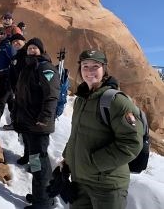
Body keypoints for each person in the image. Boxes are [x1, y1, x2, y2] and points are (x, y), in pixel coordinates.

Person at [62, 49, 144, 209]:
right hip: (80, 182)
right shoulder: (80, 100)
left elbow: (132, 143)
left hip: (108, 187)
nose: (89, 71)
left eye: (95, 66)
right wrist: (67, 161)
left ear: (104, 69)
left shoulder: (115, 100)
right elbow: (77, 135)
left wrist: (94, 163)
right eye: (85, 66)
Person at [13, 38, 60, 209]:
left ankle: (43, 203)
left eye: (35, 48)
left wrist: (44, 117)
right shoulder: (29, 67)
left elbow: (52, 95)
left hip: (39, 125)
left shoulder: (45, 67)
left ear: (41, 50)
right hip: (29, 123)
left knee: (39, 164)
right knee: (37, 163)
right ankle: (42, 196)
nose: (32, 50)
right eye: (30, 47)